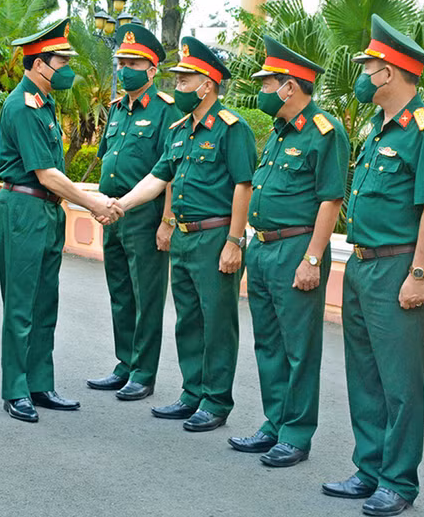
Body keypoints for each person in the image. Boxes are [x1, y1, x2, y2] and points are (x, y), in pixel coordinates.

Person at [323, 15, 424, 516]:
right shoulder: (377, 128)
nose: (362, 74)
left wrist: (418, 273)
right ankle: (369, 468)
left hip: (398, 267)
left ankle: (398, 482)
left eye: (369, 66)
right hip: (361, 264)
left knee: (399, 382)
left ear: (390, 72)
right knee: (366, 376)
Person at [114, 36, 256, 431]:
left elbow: (243, 186)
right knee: (188, 319)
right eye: (177, 79)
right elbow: (159, 178)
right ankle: (192, 392)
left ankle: (215, 400)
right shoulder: (180, 131)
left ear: (207, 84)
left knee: (217, 320)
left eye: (184, 80)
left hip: (215, 238)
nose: (177, 86)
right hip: (186, 237)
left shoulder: (231, 129)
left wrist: (234, 240)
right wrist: (120, 206)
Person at [227, 36, 348, 467]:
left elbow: (330, 200)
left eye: (268, 81)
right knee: (270, 343)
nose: (261, 89)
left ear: (290, 86)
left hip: (297, 248)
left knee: (299, 347)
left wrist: (313, 258)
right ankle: (273, 423)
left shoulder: (324, 132)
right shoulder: (280, 133)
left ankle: (296, 434)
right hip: (263, 248)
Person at [0, 18, 122, 423]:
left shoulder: (45, 103)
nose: (67, 67)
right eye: (60, 60)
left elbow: (56, 175)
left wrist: (94, 196)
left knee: (45, 301)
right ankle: (16, 389)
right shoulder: (23, 105)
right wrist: (94, 205)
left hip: (46, 210)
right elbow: (46, 174)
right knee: (21, 305)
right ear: (37, 64)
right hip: (24, 209)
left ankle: (40, 383)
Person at [86, 24, 181, 401]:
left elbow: (169, 171)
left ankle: (143, 372)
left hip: (144, 214)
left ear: (152, 69)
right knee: (120, 291)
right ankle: (123, 363)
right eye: (121, 61)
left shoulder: (165, 112)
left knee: (147, 295)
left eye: (133, 62)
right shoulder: (117, 110)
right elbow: (107, 158)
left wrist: (167, 220)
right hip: (111, 213)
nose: (124, 69)